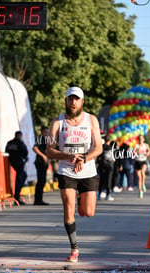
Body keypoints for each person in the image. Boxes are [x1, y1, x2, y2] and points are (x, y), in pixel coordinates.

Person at [46, 87, 102, 263]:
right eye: (70, 99)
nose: (73, 102)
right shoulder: (57, 123)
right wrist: (68, 156)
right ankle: (74, 248)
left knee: (89, 212)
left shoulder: (91, 120)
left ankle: (81, 201)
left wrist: (83, 159)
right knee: (68, 208)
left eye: (76, 99)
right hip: (66, 170)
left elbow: (98, 148)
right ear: (65, 101)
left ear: (82, 102)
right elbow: (49, 150)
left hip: (87, 170)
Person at [5, 131, 28, 205]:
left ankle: (17, 195)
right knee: (21, 178)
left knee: (21, 177)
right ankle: (17, 196)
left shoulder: (10, 142)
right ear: (19, 136)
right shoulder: (19, 142)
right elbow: (25, 152)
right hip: (19, 162)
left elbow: (7, 151)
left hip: (12, 162)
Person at [32, 126, 50, 205]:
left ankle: (40, 199)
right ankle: (37, 200)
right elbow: (34, 148)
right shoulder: (40, 139)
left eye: (48, 132)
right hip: (40, 162)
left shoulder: (47, 140)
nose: (47, 133)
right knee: (40, 181)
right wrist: (43, 156)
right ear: (42, 132)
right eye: (45, 132)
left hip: (44, 162)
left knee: (42, 181)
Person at [97, 137, 119, 201]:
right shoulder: (111, 148)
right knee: (109, 180)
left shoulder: (101, 147)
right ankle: (108, 194)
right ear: (109, 141)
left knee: (102, 180)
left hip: (102, 165)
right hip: (109, 166)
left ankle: (100, 193)